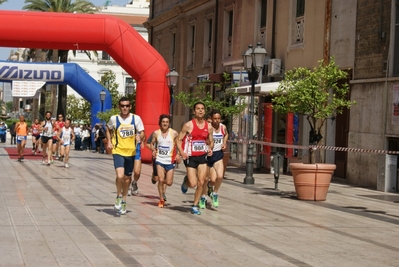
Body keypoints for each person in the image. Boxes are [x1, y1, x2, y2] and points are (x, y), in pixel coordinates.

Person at [106, 97, 145, 215]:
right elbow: (108, 128)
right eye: (122, 106)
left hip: (131, 152)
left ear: (130, 107)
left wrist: (140, 136)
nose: (124, 108)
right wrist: (109, 141)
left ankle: (123, 201)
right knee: (120, 175)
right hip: (118, 151)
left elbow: (142, 131)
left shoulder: (136, 118)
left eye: (127, 105)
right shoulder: (114, 119)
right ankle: (118, 195)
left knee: (127, 179)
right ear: (119, 107)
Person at [177, 102, 214, 215]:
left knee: (201, 182)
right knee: (193, 183)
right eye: (198, 109)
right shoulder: (188, 125)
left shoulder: (209, 126)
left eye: (202, 109)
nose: (200, 111)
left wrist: (210, 148)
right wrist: (182, 152)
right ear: (194, 111)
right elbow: (178, 140)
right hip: (190, 156)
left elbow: (211, 141)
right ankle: (186, 181)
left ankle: (195, 205)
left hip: (202, 156)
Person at [200, 110, 228, 209]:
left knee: (220, 176)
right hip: (207, 156)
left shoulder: (223, 127)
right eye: (215, 119)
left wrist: (224, 143)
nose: (216, 121)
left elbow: (226, 134)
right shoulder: (207, 128)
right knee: (208, 179)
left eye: (218, 119)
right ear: (211, 119)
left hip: (218, 155)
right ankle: (203, 196)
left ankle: (215, 193)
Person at [151, 114, 180, 208]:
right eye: (163, 122)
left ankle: (163, 191)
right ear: (160, 123)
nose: (165, 123)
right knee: (161, 179)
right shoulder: (156, 133)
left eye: (167, 122)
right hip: (159, 159)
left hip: (170, 160)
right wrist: (153, 150)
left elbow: (179, 144)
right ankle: (161, 199)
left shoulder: (174, 133)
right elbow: (152, 144)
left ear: (169, 123)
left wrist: (179, 154)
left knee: (169, 182)